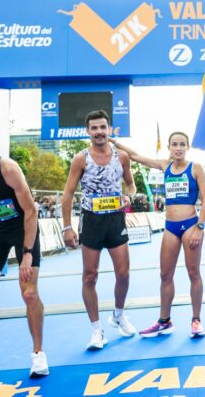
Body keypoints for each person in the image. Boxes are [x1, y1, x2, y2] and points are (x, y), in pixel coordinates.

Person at [0, 130, 49, 384]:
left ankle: (38, 353)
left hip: (23, 228)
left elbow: (30, 210)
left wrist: (27, 254)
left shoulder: (7, 168)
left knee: (28, 292)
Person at [112, 133, 205, 338]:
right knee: (165, 275)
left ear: (187, 147)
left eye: (182, 144)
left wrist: (200, 227)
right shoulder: (165, 166)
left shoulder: (196, 168)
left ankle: (196, 320)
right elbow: (136, 156)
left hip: (191, 224)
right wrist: (114, 143)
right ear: (169, 147)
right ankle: (164, 321)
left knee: (194, 273)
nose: (178, 148)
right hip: (170, 227)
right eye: (174, 144)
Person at [61, 110, 137, 350]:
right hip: (91, 220)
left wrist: (129, 197)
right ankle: (96, 330)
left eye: (102, 127)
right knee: (90, 276)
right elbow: (68, 194)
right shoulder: (80, 159)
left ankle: (118, 315)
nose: (99, 132)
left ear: (109, 129)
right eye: (94, 128)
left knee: (123, 274)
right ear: (88, 131)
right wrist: (67, 227)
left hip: (115, 219)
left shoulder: (122, 156)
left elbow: (131, 185)